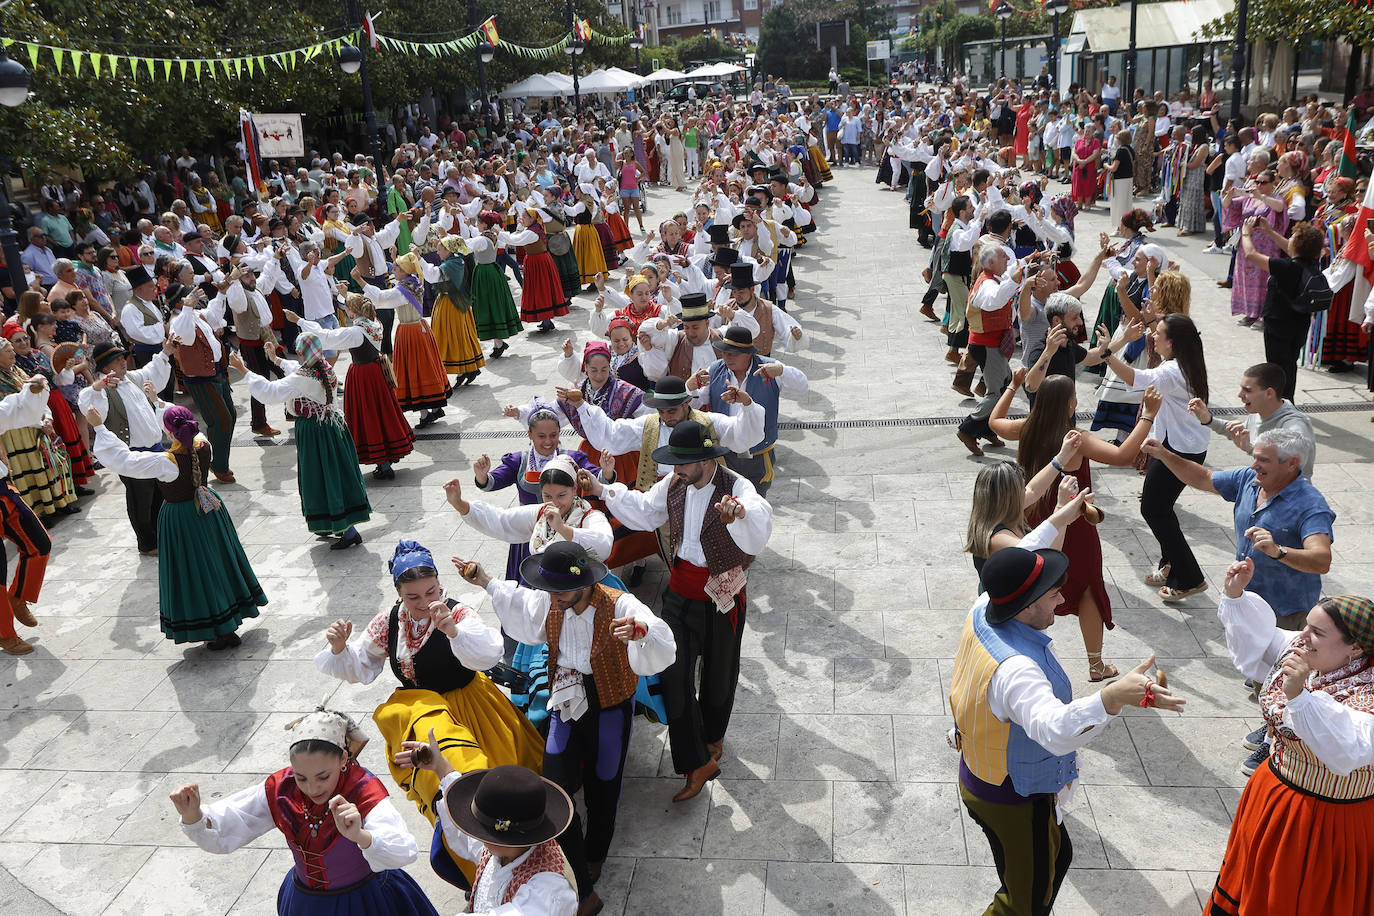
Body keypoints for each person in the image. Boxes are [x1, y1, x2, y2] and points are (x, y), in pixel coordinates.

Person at [951, 536, 1186, 916]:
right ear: (1027, 606)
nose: (1062, 602)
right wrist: (1112, 697)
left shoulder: (986, 605)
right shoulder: (1018, 671)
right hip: (1013, 800)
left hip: (979, 777)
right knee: (1023, 905)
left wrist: (1062, 513)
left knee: (1056, 858)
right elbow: (1055, 731)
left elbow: (1025, 550)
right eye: (1054, 595)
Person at [454, 540, 676, 916]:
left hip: (610, 702)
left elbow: (658, 634)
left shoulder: (618, 604)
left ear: (586, 582)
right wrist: (485, 581)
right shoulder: (549, 601)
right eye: (550, 589)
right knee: (555, 786)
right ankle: (577, 872)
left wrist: (639, 632)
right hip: (566, 698)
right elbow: (522, 606)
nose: (553, 597)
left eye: (562, 590)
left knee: (605, 783)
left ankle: (595, 854)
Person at [314, 540, 543, 886]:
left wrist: (452, 630)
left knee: (488, 786)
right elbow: (360, 667)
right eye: (413, 597)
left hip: (470, 708)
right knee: (443, 792)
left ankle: (517, 862)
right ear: (398, 594)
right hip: (423, 718)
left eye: (431, 591)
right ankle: (473, 865)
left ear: (439, 583)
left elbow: (488, 653)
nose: (424, 603)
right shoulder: (388, 622)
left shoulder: (458, 612)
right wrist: (338, 648)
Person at [582, 420, 773, 803]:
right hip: (679, 592)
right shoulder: (673, 484)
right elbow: (644, 509)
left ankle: (713, 738)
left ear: (707, 458)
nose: (677, 469)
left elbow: (759, 523)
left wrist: (739, 516)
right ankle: (696, 762)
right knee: (671, 673)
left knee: (719, 676)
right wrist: (602, 489)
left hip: (723, 595)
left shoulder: (738, 487)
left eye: (683, 462)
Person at [1205, 560, 1374, 915]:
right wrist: (1236, 596)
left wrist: (1299, 697)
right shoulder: (1303, 655)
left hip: (1328, 822)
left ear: (1356, 648)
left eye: (1317, 633)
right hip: (1271, 796)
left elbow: (1347, 751)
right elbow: (1266, 639)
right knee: (1255, 883)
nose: (1302, 637)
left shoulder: (1367, 696)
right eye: (1306, 626)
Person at [171, 707, 440, 916]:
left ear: (344, 759)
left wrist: (361, 836)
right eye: (301, 777)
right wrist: (193, 816)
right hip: (307, 902)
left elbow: (404, 851)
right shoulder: (282, 788)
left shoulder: (362, 789)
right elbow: (232, 823)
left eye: (323, 776)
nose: (312, 788)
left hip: (366, 901)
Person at [88, 403, 265, 648]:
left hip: (182, 519)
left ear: (169, 433)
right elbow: (185, 425)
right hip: (209, 511)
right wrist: (160, 403)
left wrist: (100, 427)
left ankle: (216, 629)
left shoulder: (166, 462)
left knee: (195, 572)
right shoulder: (204, 445)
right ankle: (229, 623)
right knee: (217, 563)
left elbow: (125, 460)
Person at [1101, 314, 1211, 601]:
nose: (1152, 336)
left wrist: (1107, 353)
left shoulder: (1173, 371)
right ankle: (1170, 563)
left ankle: (1190, 578)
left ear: (1172, 343)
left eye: (1158, 333)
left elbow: (1137, 379)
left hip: (1179, 450)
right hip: (1178, 445)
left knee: (1154, 510)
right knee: (1161, 508)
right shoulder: (1184, 363)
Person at [229, 334, 370, 550]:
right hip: (332, 428)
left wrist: (243, 370)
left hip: (314, 431)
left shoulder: (304, 377)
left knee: (321, 477)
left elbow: (270, 391)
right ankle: (333, 524)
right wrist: (275, 359)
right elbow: (296, 369)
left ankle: (347, 530)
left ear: (303, 353)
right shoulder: (322, 366)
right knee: (333, 475)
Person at [404, 757, 578, 916]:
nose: (478, 835)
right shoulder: (502, 850)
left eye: (483, 831)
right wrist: (440, 766)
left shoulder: (548, 886)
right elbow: (469, 840)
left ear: (507, 838)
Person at [289, 297, 414, 481]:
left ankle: (383, 463)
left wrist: (299, 321)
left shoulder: (356, 332)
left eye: (346, 308)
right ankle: (387, 457)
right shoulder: (374, 323)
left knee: (368, 416)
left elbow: (326, 338)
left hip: (363, 375)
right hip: (377, 372)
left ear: (352, 312)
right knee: (382, 413)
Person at [696, 325, 808, 498]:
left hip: (759, 455)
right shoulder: (715, 369)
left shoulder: (769, 368)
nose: (727, 357)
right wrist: (691, 387)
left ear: (748, 353)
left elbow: (803, 385)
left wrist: (781, 371)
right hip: (725, 454)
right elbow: (697, 402)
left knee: (755, 502)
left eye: (734, 353)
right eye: (725, 352)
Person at [1240, 219, 1325, 402]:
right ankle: (1288, 401)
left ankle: (1280, 405)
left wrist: (1245, 233)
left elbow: (1251, 255)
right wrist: (1269, 230)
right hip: (1300, 324)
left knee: (1276, 368)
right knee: (1289, 364)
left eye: (1292, 238)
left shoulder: (1285, 267)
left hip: (1278, 324)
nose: (1289, 240)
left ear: (1298, 245)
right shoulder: (1312, 264)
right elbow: (1292, 248)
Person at [0, 370, 54, 655]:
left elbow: (14, 410)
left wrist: (32, 392)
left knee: (39, 543)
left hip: (0, 488)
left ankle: (18, 596)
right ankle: (5, 633)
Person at [1188, 362, 1316, 480]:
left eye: (1247, 390)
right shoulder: (1259, 413)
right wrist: (1208, 419)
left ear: (1269, 393)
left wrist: (1251, 449)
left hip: (1289, 497)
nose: (1240, 395)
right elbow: (1239, 432)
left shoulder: (1295, 424)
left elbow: (1294, 460)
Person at [430, 235, 486, 385]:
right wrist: (440, 242)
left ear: (448, 250)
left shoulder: (451, 264)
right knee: (459, 335)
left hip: (452, 304)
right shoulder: (455, 259)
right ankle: (467, 369)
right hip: (451, 302)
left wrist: (418, 258)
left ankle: (466, 368)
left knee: (454, 336)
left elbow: (432, 276)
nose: (437, 252)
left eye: (440, 249)